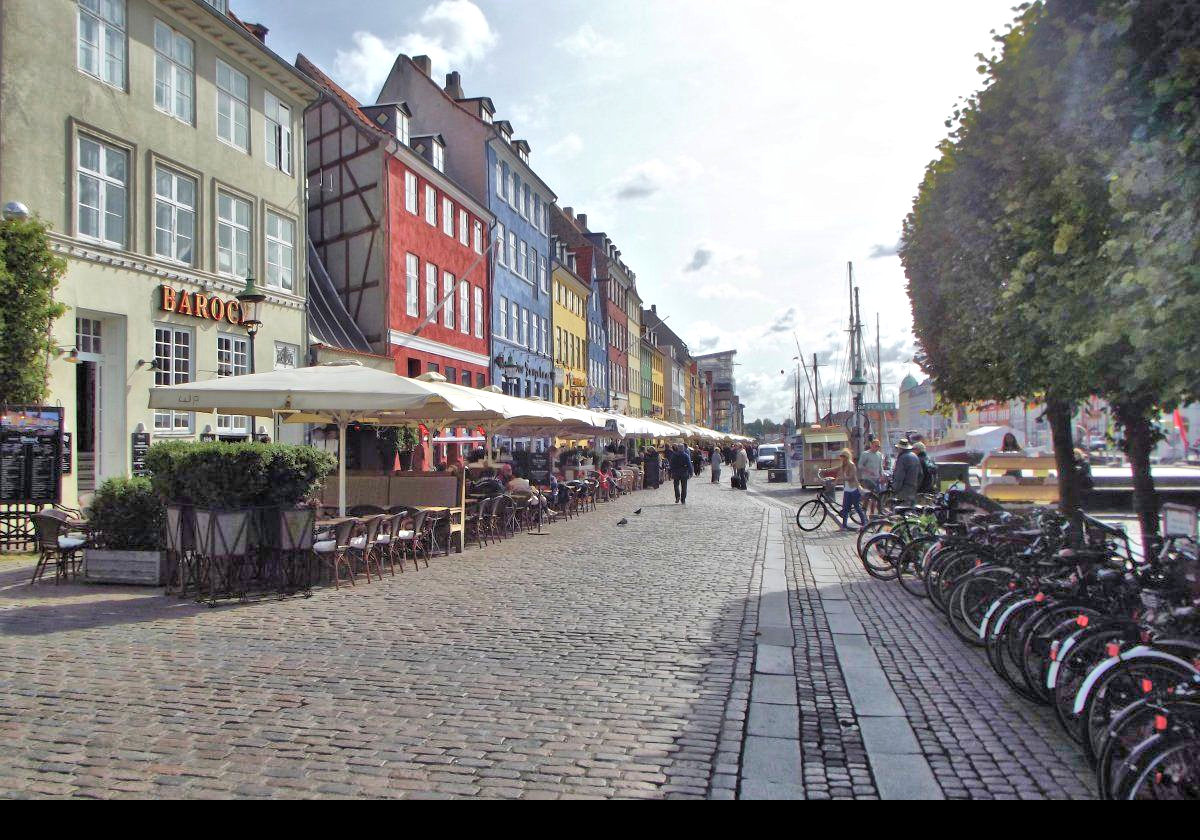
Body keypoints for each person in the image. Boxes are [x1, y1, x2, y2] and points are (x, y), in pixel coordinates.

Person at [822, 448, 863, 531]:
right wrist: (825, 470)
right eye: (841, 456)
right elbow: (836, 468)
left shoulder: (851, 465)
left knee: (857, 507)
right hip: (847, 490)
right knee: (845, 508)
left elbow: (851, 477)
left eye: (843, 456)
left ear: (846, 457)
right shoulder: (843, 465)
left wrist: (841, 478)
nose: (841, 458)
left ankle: (864, 524)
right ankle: (843, 526)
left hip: (854, 489)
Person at [891, 438, 920, 505]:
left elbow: (899, 476)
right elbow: (920, 474)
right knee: (912, 511)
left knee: (901, 510)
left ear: (901, 449)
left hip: (903, 490)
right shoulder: (915, 456)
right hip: (914, 488)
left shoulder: (902, 458)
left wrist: (895, 488)